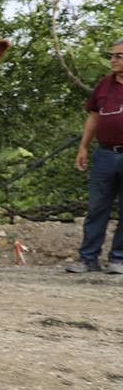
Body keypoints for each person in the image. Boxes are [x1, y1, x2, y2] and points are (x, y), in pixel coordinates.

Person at [66, 38, 123, 274]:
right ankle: (88, 258)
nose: (112, 60)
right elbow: (93, 117)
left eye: (118, 56)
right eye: (111, 56)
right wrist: (83, 147)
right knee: (97, 207)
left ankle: (118, 259)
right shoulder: (104, 86)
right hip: (105, 154)